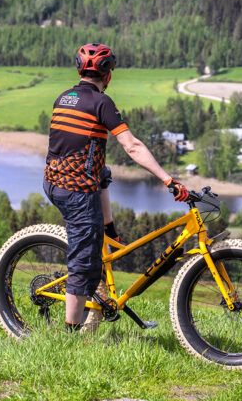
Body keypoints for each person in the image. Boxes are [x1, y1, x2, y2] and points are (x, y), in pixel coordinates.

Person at [43, 43, 189, 333]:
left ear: (79, 70)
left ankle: (108, 229)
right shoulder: (102, 103)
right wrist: (167, 179)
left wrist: (107, 226)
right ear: (107, 75)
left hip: (53, 180)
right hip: (76, 191)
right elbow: (132, 146)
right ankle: (70, 338)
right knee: (83, 263)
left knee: (103, 172)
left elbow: (93, 167)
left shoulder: (65, 97)